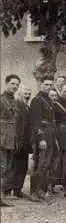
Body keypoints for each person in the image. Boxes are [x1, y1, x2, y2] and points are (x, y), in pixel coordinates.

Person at [29, 76, 57, 202]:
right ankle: (34, 192)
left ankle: (41, 190)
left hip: (50, 136)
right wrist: (41, 139)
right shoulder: (37, 100)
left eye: (51, 84)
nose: (49, 87)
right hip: (43, 137)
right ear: (41, 85)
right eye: (46, 84)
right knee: (40, 164)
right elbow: (35, 122)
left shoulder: (49, 100)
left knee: (46, 164)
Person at [6, 85, 32, 200]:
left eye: (29, 92)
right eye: (25, 92)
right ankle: (6, 190)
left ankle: (18, 190)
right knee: (13, 166)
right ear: (19, 93)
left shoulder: (27, 107)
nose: (27, 94)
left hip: (25, 141)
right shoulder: (17, 105)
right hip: (17, 140)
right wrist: (17, 139)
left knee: (23, 166)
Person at [0, 75, 23, 206]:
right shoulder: (1, 100)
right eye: (12, 84)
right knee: (2, 168)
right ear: (6, 83)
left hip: (11, 140)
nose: (14, 86)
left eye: (17, 85)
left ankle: (1, 196)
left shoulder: (14, 101)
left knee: (7, 168)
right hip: (2, 139)